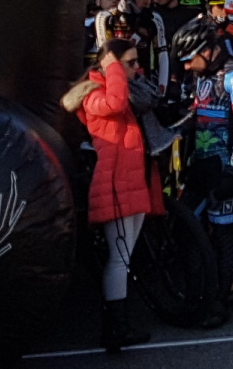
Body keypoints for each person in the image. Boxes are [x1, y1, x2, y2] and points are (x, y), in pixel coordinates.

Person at [172, 16, 233, 319]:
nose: (184, 66)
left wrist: (232, 172)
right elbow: (194, 116)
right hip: (202, 161)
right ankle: (194, 294)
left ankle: (220, 300)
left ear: (206, 51)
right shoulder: (201, 74)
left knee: (223, 233)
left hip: (227, 163)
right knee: (188, 228)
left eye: (187, 59)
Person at [78, 39, 153, 352]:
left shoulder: (111, 87)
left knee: (124, 258)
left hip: (129, 181)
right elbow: (116, 104)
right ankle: (115, 331)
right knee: (119, 259)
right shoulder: (93, 93)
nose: (136, 69)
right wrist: (112, 68)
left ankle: (119, 328)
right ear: (110, 64)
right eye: (130, 62)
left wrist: (119, 70)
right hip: (115, 183)